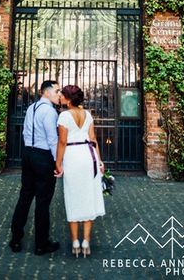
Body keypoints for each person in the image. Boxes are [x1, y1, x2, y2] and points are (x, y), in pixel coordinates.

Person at [9, 80, 62, 255]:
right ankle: (41, 244)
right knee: (43, 201)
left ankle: (15, 240)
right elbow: (53, 140)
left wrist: (28, 152)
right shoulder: (50, 112)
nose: (59, 94)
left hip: (28, 155)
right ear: (45, 92)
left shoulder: (31, 108)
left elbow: (25, 132)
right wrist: (58, 163)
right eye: (56, 91)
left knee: (24, 196)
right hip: (43, 157)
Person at [54, 84, 105, 258]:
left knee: (73, 196)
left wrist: (58, 163)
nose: (60, 97)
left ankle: (75, 242)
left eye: (62, 95)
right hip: (88, 155)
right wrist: (99, 161)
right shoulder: (88, 114)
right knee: (88, 197)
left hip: (72, 156)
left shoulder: (64, 116)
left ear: (68, 99)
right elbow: (93, 139)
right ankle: (86, 242)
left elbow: (62, 142)